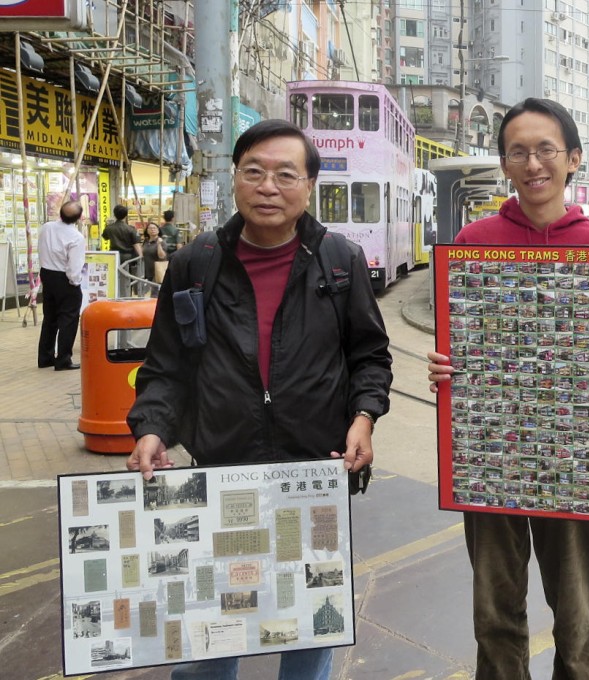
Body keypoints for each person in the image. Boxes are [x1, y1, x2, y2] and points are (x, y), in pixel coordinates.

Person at [126, 119, 393, 680]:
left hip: (312, 476)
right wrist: (151, 428)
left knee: (307, 628)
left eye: (285, 174)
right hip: (223, 476)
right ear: (235, 178)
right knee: (211, 632)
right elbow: (166, 369)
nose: (268, 186)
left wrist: (364, 417)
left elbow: (370, 356)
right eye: (254, 171)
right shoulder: (195, 264)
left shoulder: (339, 262)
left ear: (309, 185)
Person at [426, 98, 589, 680]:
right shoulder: (474, 242)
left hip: (573, 453)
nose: (533, 163)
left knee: (577, 613)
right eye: (518, 151)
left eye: (546, 149)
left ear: (573, 159)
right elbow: (457, 341)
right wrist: (445, 367)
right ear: (504, 163)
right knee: (494, 609)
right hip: (489, 453)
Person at [37, 200, 86, 370]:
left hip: (47, 274)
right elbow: (74, 267)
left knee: (50, 318)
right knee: (68, 318)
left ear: (60, 213)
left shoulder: (46, 227)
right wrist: (75, 282)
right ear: (79, 218)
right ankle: (63, 359)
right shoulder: (76, 237)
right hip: (64, 278)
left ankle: (45, 357)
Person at [102, 204, 142, 294]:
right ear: (126, 215)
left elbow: (105, 237)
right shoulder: (131, 229)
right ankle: (128, 294)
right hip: (129, 257)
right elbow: (136, 244)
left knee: (115, 278)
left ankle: (116, 294)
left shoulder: (109, 228)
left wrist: (107, 224)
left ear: (114, 214)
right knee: (128, 277)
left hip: (114, 257)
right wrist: (141, 256)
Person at [140, 222, 167, 295]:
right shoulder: (146, 241)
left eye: (154, 228)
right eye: (150, 228)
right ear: (147, 231)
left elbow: (162, 256)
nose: (152, 230)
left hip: (157, 271)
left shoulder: (161, 242)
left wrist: (159, 244)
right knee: (144, 292)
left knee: (154, 293)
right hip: (147, 270)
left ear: (158, 230)